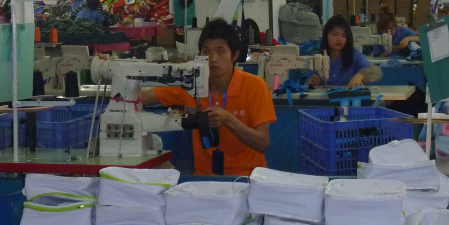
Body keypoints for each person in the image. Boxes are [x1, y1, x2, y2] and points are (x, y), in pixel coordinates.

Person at [140, 18, 275, 176]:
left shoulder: (255, 86)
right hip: (204, 178)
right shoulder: (191, 84)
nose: (213, 59)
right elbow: (141, 97)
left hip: (247, 178)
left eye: (220, 51)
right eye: (206, 51)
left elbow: (262, 143)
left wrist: (229, 120)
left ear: (235, 54)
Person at [308, 15, 382, 88]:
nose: (339, 39)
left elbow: (377, 72)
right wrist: (312, 82)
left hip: (349, 95)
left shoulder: (354, 55)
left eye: (344, 36)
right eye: (335, 34)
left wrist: (361, 75)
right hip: (324, 96)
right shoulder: (318, 58)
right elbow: (307, 84)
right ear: (326, 36)